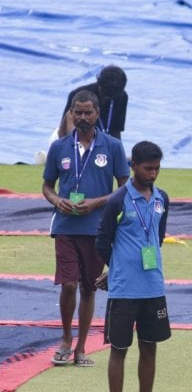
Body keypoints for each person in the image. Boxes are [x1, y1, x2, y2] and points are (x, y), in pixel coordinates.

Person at [42, 89, 130, 367]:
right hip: (66, 226)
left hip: (97, 228)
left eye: (87, 112)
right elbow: (47, 185)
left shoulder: (113, 147)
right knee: (68, 284)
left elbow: (125, 186)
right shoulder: (59, 147)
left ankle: (81, 348)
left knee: (89, 288)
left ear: (97, 114)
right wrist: (57, 200)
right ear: (71, 113)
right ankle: (66, 340)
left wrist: (98, 203)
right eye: (77, 112)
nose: (82, 117)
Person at [95, 141, 170, 392]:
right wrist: (115, 268)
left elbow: (157, 237)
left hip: (153, 287)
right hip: (125, 289)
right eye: (148, 168)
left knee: (149, 348)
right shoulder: (118, 200)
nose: (152, 174)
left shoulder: (162, 198)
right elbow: (102, 240)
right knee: (119, 350)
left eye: (157, 169)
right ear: (133, 165)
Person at [63, 65, 128, 140]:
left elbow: (116, 129)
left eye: (111, 97)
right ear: (99, 85)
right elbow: (68, 129)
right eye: (105, 95)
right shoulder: (78, 95)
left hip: (100, 140)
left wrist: (117, 149)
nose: (106, 99)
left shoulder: (121, 97)